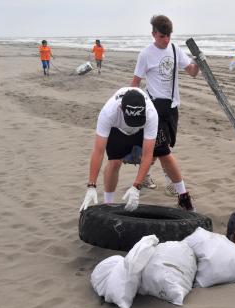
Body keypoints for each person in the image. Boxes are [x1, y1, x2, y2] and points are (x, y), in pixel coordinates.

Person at [130, 15, 200, 211]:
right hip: (153, 109)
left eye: (168, 35)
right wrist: (130, 108)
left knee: (161, 147)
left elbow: (192, 72)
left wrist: (199, 61)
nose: (166, 40)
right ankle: (182, 194)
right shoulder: (145, 54)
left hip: (172, 107)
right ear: (153, 34)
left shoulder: (176, 50)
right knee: (164, 151)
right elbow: (135, 83)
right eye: (162, 36)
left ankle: (143, 178)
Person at [79, 88, 158, 212]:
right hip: (117, 128)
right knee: (115, 162)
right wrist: (91, 185)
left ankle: (143, 178)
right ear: (121, 108)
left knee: (153, 157)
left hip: (141, 128)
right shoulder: (109, 112)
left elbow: (148, 154)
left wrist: (136, 186)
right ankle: (108, 203)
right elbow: (98, 151)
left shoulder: (151, 113)